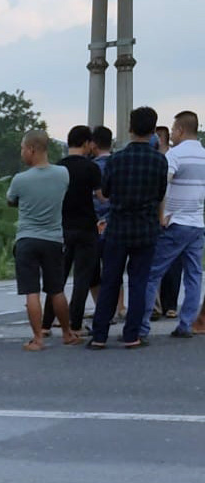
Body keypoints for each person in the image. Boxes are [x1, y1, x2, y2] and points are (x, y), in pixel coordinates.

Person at [88, 107, 168, 349]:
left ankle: (100, 335)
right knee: (139, 282)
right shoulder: (159, 161)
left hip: (118, 227)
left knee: (110, 280)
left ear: (130, 128)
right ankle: (132, 334)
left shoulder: (116, 159)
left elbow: (107, 192)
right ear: (154, 130)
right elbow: (160, 193)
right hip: (145, 228)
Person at [139, 111, 205, 340]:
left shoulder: (174, 155)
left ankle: (142, 326)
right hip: (197, 223)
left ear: (180, 130)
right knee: (194, 275)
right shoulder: (203, 155)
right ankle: (186, 324)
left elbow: (162, 184)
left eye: (174, 130)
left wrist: (162, 214)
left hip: (176, 222)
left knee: (152, 273)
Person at [7, 130, 75, 351]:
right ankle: (67, 333)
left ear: (32, 149)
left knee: (32, 291)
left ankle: (38, 339)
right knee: (56, 290)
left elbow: (11, 201)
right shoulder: (63, 174)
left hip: (27, 240)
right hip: (54, 240)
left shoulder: (20, 180)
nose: (21, 153)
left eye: (22, 148)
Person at [41, 126, 101, 336]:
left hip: (61, 228)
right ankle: (75, 326)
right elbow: (102, 197)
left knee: (56, 279)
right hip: (86, 228)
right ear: (86, 143)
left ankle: (46, 325)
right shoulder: (91, 168)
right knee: (82, 278)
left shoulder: (58, 168)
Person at [153, 126, 182, 319]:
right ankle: (156, 305)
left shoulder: (171, 158)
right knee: (155, 262)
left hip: (171, 214)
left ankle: (170, 303)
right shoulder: (155, 161)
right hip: (157, 215)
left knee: (173, 262)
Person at [90, 126, 114, 313]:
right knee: (113, 267)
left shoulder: (92, 168)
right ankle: (119, 307)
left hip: (94, 222)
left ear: (94, 144)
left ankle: (101, 308)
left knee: (92, 268)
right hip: (115, 220)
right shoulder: (117, 163)